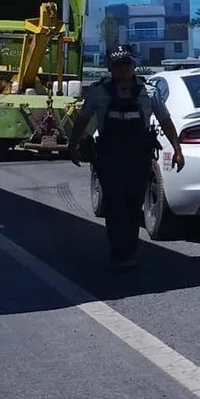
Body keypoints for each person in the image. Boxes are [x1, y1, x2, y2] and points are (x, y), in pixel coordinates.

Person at [68, 45, 184, 269]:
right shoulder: (98, 92)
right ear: (110, 68)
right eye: (117, 65)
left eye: (127, 64)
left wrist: (177, 149)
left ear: (134, 65)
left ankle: (129, 248)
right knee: (114, 204)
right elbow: (82, 119)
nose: (123, 69)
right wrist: (73, 145)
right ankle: (119, 252)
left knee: (133, 204)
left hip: (138, 158)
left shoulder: (149, 92)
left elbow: (165, 120)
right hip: (109, 158)